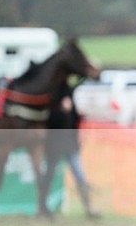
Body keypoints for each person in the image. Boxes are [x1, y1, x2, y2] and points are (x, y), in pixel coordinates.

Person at [41, 81, 99, 218]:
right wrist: (62, 111)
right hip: (55, 146)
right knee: (49, 177)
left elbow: (74, 122)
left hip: (70, 146)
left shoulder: (69, 99)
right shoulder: (53, 100)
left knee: (80, 177)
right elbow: (51, 123)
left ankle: (89, 208)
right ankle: (42, 207)